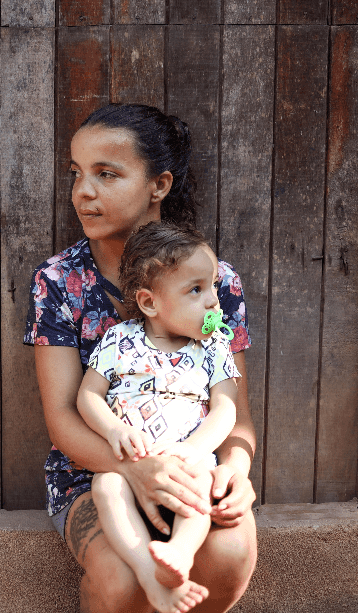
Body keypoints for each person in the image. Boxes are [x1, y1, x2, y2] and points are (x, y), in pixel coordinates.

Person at [24, 103, 257, 613]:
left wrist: (236, 469)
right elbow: (64, 417)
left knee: (230, 552)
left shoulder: (215, 285)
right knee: (120, 580)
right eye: (77, 174)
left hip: (193, 464)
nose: (83, 192)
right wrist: (135, 469)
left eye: (107, 174)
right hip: (94, 471)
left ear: (160, 185)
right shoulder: (60, 282)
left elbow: (235, 411)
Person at [76, 221, 242, 613]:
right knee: (105, 488)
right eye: (196, 290)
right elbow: (88, 396)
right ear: (150, 302)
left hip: (187, 463)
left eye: (213, 286)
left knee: (202, 481)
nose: (213, 302)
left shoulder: (215, 346)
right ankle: (148, 574)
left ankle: (180, 555)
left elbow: (226, 407)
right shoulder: (119, 341)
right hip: (130, 464)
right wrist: (113, 428)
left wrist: (192, 450)